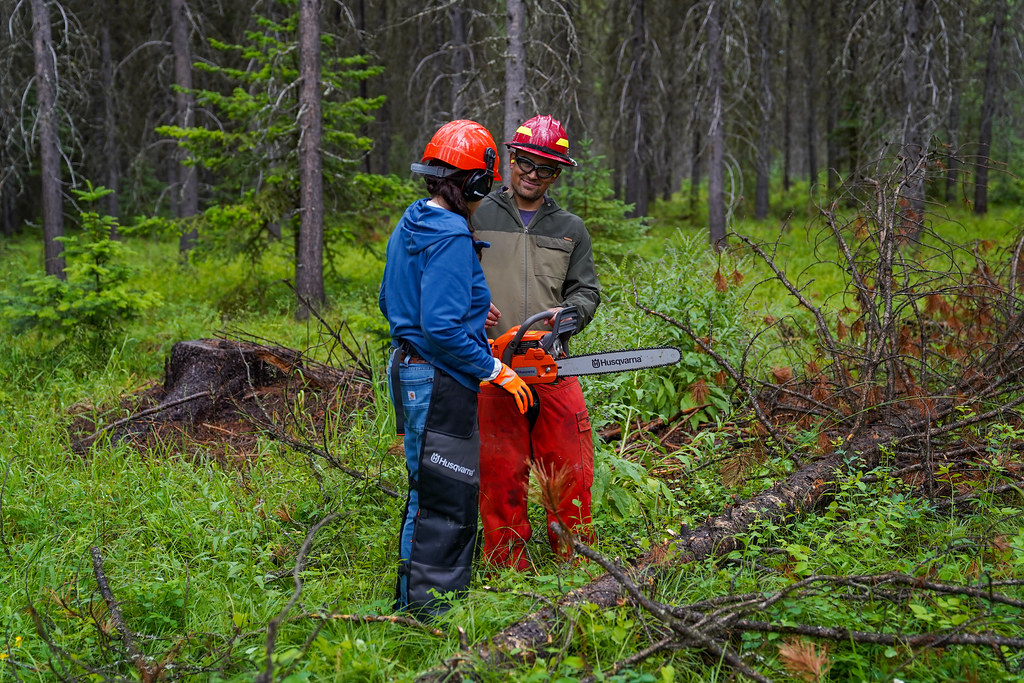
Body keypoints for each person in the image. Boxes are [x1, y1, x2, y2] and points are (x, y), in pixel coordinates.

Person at [379, 119, 533, 617]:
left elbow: (392, 301)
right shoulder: (448, 233)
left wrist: (471, 308)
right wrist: (493, 368)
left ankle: (412, 602)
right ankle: (432, 612)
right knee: (446, 496)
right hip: (438, 377)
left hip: (410, 367)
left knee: (426, 490)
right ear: (476, 182)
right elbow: (441, 330)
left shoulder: (414, 221)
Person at [474, 115, 601, 570]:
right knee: (500, 475)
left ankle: (576, 564)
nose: (532, 173)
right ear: (511, 159)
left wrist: (569, 318)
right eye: (525, 162)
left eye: (544, 168)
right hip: (491, 369)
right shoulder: (477, 212)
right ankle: (506, 569)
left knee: (570, 472)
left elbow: (586, 290)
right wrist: (470, 306)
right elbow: (450, 274)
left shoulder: (571, 228)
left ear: (557, 174)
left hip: (552, 366)